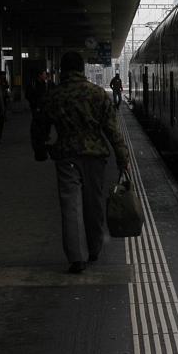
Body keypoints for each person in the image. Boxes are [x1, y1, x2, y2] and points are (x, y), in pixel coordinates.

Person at [30, 52, 130, 273]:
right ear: (82, 70)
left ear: (63, 70)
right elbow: (112, 129)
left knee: (71, 205)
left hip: (66, 156)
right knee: (94, 204)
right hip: (95, 157)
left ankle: (77, 258)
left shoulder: (53, 95)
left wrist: (40, 151)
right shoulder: (97, 93)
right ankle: (94, 249)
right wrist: (122, 157)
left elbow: (38, 128)